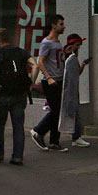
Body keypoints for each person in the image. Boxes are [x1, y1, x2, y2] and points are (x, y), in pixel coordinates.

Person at [0, 26, 32, 165]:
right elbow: (35, 65)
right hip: (20, 94)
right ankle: (17, 156)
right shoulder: (21, 52)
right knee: (18, 126)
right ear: (10, 38)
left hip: (3, 95)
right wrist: (29, 84)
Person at [31, 14, 68, 151]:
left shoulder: (57, 42)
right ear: (53, 25)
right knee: (56, 110)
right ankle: (38, 131)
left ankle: (54, 141)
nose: (63, 26)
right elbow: (40, 60)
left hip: (58, 79)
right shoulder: (46, 42)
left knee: (58, 111)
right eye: (61, 24)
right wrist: (49, 77)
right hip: (50, 81)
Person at [60, 33, 92, 149]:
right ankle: (76, 136)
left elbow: (77, 73)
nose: (79, 47)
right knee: (72, 112)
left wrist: (83, 64)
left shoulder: (72, 57)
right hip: (69, 89)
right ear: (71, 45)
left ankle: (76, 136)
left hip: (73, 88)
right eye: (77, 45)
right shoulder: (68, 56)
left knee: (74, 112)